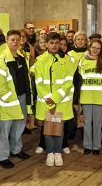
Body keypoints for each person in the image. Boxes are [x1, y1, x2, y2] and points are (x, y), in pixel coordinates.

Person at [0, 30, 32, 169]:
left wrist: (27, 99)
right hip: (8, 101)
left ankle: (16, 150)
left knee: (19, 126)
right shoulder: (1, 60)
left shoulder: (21, 58)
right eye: (12, 40)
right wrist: (9, 99)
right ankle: (2, 156)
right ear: (7, 41)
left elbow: (26, 80)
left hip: (21, 98)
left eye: (17, 39)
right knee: (5, 130)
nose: (15, 42)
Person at [35, 32, 74, 166]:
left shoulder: (68, 60)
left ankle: (58, 152)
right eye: (51, 43)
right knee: (48, 130)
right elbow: (39, 82)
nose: (54, 45)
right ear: (46, 44)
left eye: (57, 43)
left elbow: (69, 82)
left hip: (61, 102)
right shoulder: (40, 60)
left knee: (58, 129)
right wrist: (49, 100)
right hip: (46, 103)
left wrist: (55, 99)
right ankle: (50, 153)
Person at [74, 39, 102, 155]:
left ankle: (96, 146)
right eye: (93, 47)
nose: (95, 50)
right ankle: (87, 145)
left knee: (97, 123)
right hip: (86, 97)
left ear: (101, 50)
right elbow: (78, 81)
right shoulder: (81, 61)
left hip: (100, 98)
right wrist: (77, 98)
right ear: (89, 47)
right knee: (86, 123)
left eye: (98, 48)